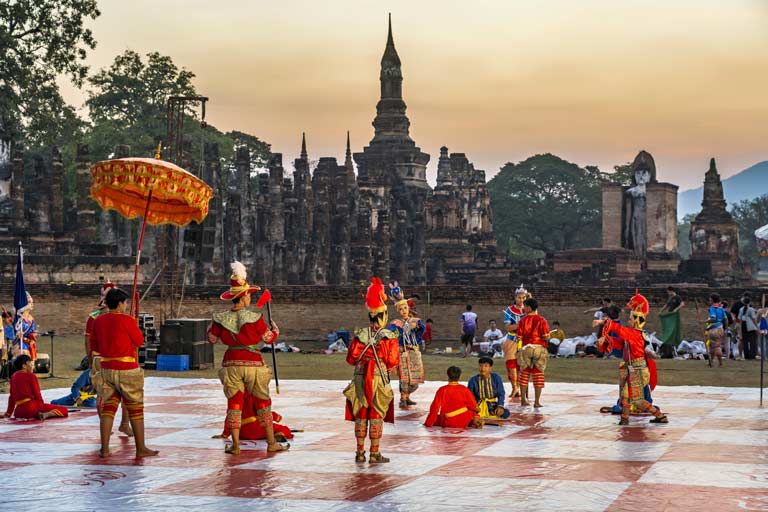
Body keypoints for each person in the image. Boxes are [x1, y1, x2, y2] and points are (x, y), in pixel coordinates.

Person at [208, 261, 287, 456]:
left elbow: (211, 339)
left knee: (234, 404)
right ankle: (271, 443)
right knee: (262, 403)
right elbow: (269, 339)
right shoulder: (255, 318)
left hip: (231, 363)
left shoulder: (219, 318)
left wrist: (210, 329)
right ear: (242, 297)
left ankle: (235, 445)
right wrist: (276, 330)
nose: (250, 298)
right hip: (254, 364)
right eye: (249, 295)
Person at [90, 287, 157, 458]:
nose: (126, 305)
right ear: (120, 304)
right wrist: (132, 325)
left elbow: (95, 346)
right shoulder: (127, 321)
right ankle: (140, 448)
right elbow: (139, 341)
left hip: (106, 369)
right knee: (135, 409)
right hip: (126, 369)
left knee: (108, 409)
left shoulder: (98, 321)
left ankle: (104, 449)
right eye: (125, 303)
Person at [344, 277, 400, 463]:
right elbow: (392, 360)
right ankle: (374, 453)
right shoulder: (388, 336)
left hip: (360, 377)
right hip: (377, 377)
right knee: (376, 414)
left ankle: (359, 452)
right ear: (383, 316)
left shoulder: (360, 335)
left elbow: (351, 358)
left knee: (361, 413)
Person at [596, 291, 668, 425]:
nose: (628, 321)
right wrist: (606, 339)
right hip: (632, 368)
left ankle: (660, 416)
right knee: (625, 395)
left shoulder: (635, 334)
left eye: (630, 319)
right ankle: (625, 419)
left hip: (637, 369)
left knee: (637, 400)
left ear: (635, 321)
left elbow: (619, 329)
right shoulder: (633, 335)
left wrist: (604, 322)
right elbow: (620, 343)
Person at [4, 355, 68, 420]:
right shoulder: (31, 376)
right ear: (24, 366)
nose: (32, 365)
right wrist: (41, 408)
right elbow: (37, 394)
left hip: (18, 413)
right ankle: (47, 414)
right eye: (30, 363)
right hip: (31, 409)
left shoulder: (13, 377)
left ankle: (42, 413)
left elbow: (11, 397)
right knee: (64, 410)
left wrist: (8, 413)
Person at [390, 295, 425, 409]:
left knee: (414, 378)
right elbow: (391, 335)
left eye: (405, 308)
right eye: (400, 309)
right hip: (402, 353)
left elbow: (422, 328)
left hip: (414, 352)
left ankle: (407, 395)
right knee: (404, 377)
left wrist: (416, 325)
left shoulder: (416, 321)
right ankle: (403, 399)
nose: (403, 311)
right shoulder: (395, 323)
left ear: (409, 308)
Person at [214, 392, 294, 443]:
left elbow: (230, 417)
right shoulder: (258, 392)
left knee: (233, 414)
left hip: (241, 433)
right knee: (284, 429)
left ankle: (235, 446)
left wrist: (225, 434)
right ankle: (278, 435)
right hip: (260, 429)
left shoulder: (236, 394)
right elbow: (265, 411)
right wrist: (277, 417)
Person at [516, 298, 551, 407]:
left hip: (526, 348)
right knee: (538, 375)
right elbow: (546, 337)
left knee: (524, 374)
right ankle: (536, 402)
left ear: (529, 308)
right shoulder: (542, 320)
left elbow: (519, 338)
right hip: (539, 348)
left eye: (525, 306)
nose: (523, 308)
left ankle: (523, 400)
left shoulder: (523, 320)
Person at [502, 284, 529, 398]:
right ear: (515, 297)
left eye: (523, 298)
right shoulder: (509, 310)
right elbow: (507, 327)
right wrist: (520, 325)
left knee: (523, 365)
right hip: (512, 339)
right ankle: (514, 388)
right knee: (511, 364)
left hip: (525, 339)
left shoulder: (529, 309)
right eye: (519, 297)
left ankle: (521, 387)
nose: (521, 300)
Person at [12, 292, 36, 361]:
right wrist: (18, 334)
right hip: (20, 343)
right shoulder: (19, 318)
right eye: (30, 302)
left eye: (32, 302)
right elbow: (16, 330)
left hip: (29, 343)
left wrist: (32, 337)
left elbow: (32, 332)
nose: (32, 304)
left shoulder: (31, 318)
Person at [705, 293, 727, 367]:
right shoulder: (721, 308)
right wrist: (725, 328)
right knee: (712, 345)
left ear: (712, 299)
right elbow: (726, 319)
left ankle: (720, 363)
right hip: (720, 328)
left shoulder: (712, 308)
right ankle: (711, 362)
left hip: (714, 329)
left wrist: (705, 321)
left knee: (716, 346)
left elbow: (713, 319)